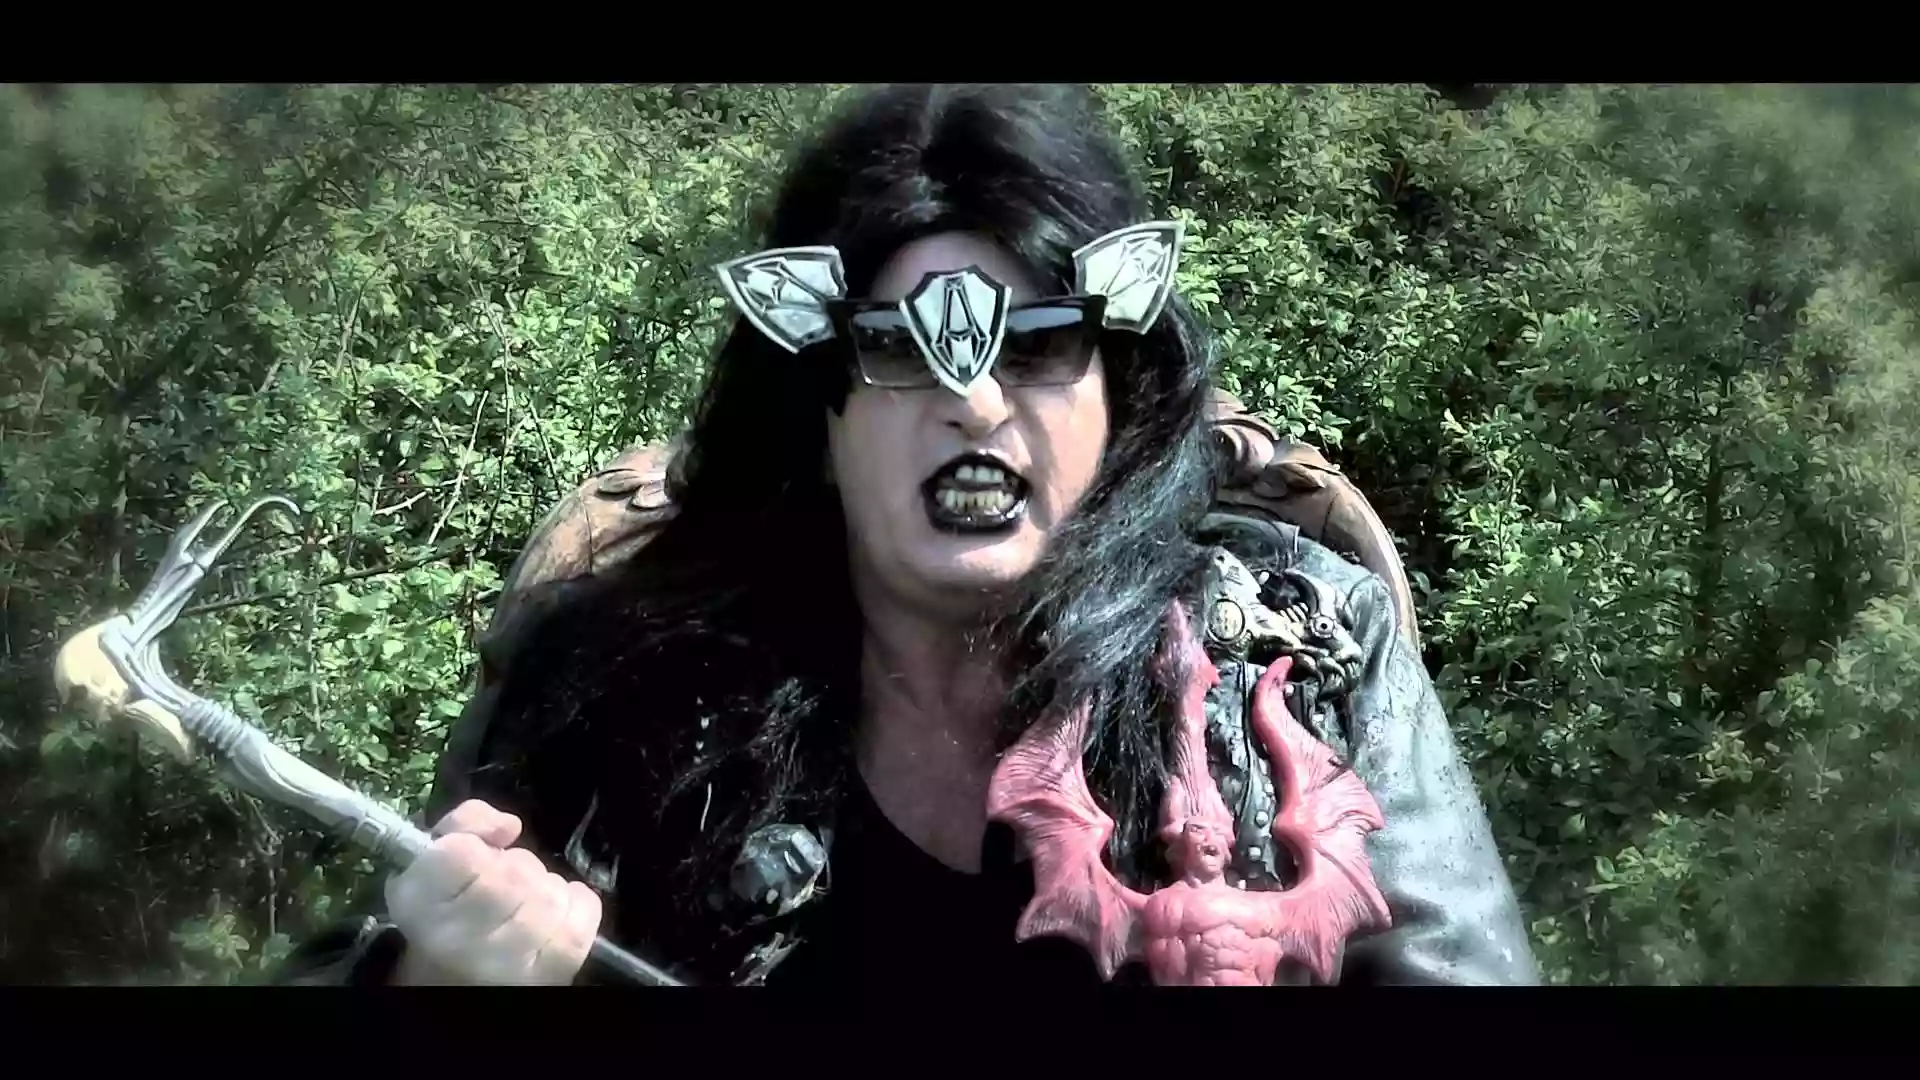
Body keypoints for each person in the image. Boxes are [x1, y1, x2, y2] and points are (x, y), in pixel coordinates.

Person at [279, 83, 1538, 987]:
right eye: (895, 352)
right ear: (815, 401)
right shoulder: (616, 679)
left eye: (1039, 346)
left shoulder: (1297, 648)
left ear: (1118, 388)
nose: (975, 405)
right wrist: (435, 980)